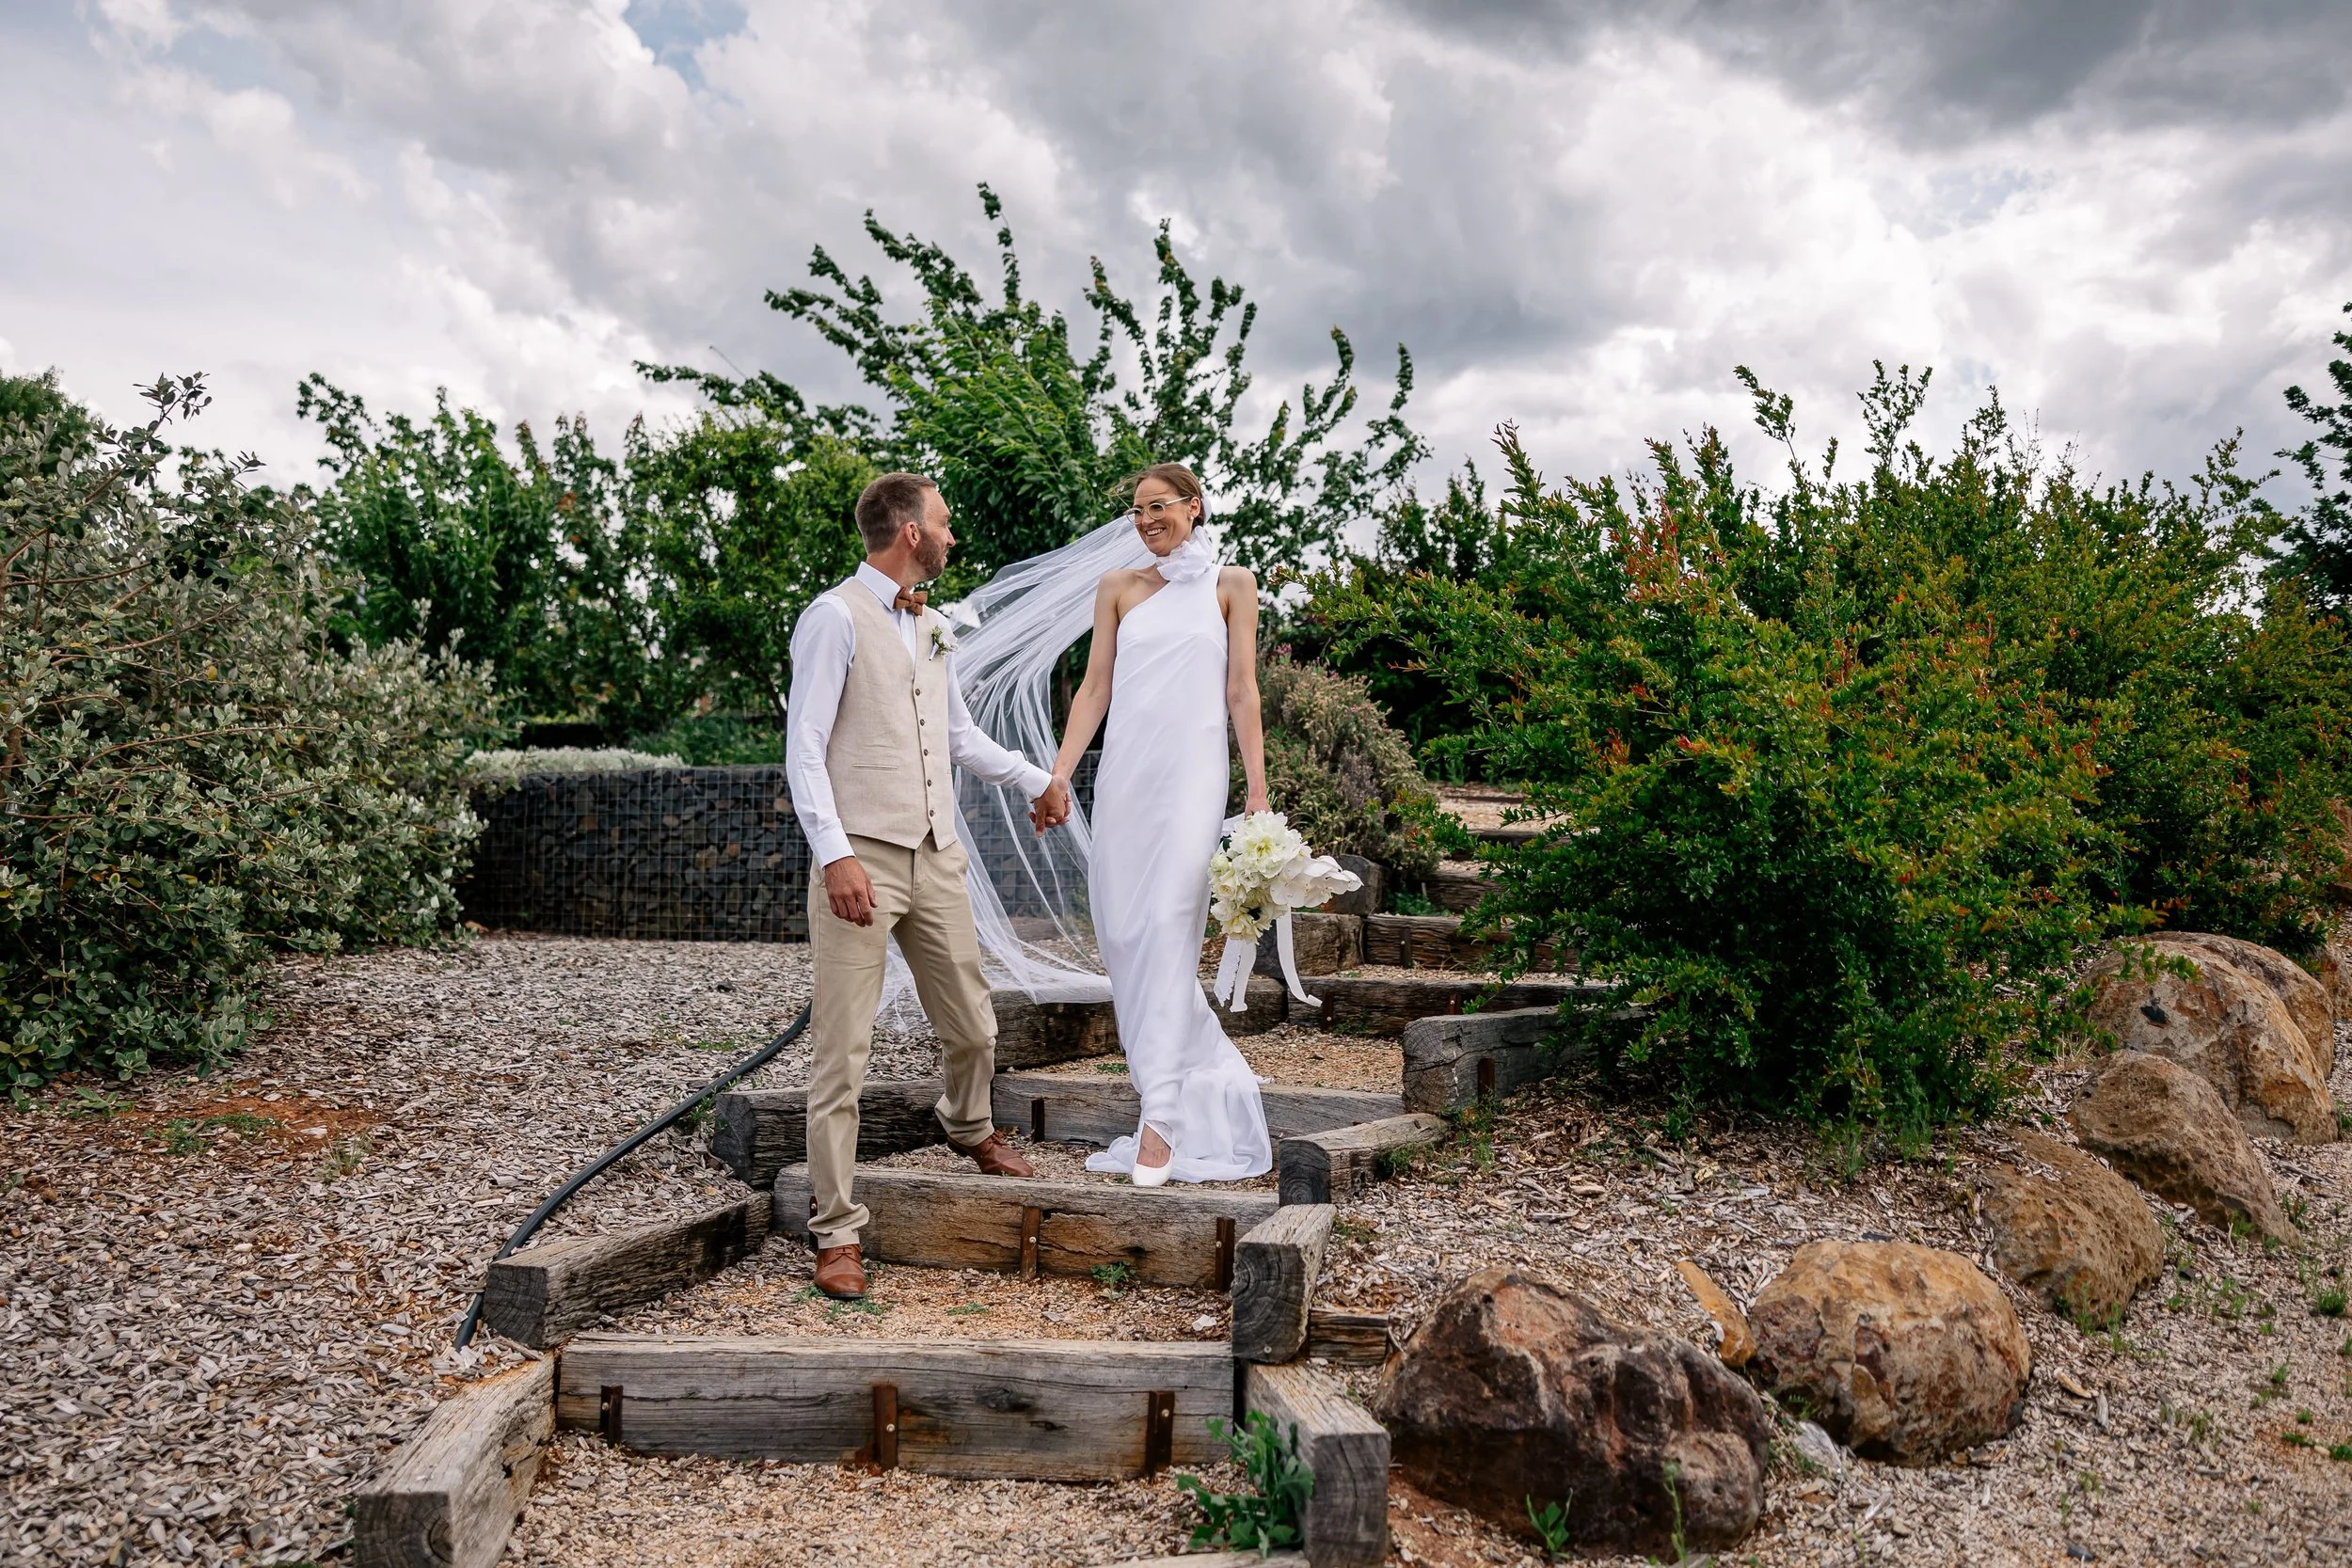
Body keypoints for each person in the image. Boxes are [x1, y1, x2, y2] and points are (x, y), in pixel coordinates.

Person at [784, 471, 1072, 1299]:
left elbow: (957, 736)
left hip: (936, 853)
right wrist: (835, 855)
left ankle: (966, 1122)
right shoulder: (832, 618)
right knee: (843, 1053)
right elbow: (804, 749)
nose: (953, 537)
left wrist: (1036, 779)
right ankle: (836, 1230)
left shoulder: (934, 625)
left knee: (974, 1026)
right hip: (860, 860)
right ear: (909, 531)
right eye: (944, 524)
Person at [1039, 463, 1275, 1186]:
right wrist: (1059, 772)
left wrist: (1258, 790)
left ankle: (1162, 1119)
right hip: (1127, 781)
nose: (1146, 520)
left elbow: (1241, 689)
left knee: (1173, 922)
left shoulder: (1232, 585)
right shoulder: (1116, 588)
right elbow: (1095, 686)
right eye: (1138, 510)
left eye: (1159, 507)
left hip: (1192, 780)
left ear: (1194, 507)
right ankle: (1181, 1078)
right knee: (1127, 933)